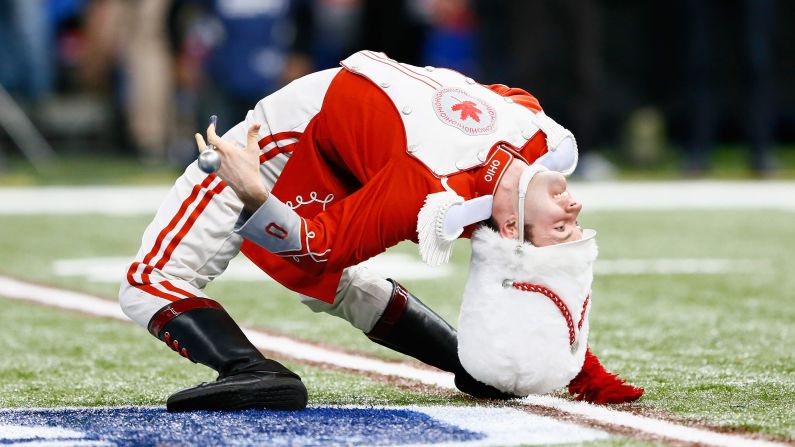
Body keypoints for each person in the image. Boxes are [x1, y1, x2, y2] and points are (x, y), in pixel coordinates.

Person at [119, 50, 642, 412]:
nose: (574, 205)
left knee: (147, 281)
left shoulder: (425, 186)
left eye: (562, 226)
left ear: (510, 228)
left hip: (294, 135)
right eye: (576, 219)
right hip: (341, 135)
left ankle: (250, 371)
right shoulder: (532, 127)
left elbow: (318, 245)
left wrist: (255, 191)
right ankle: (471, 367)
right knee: (348, 282)